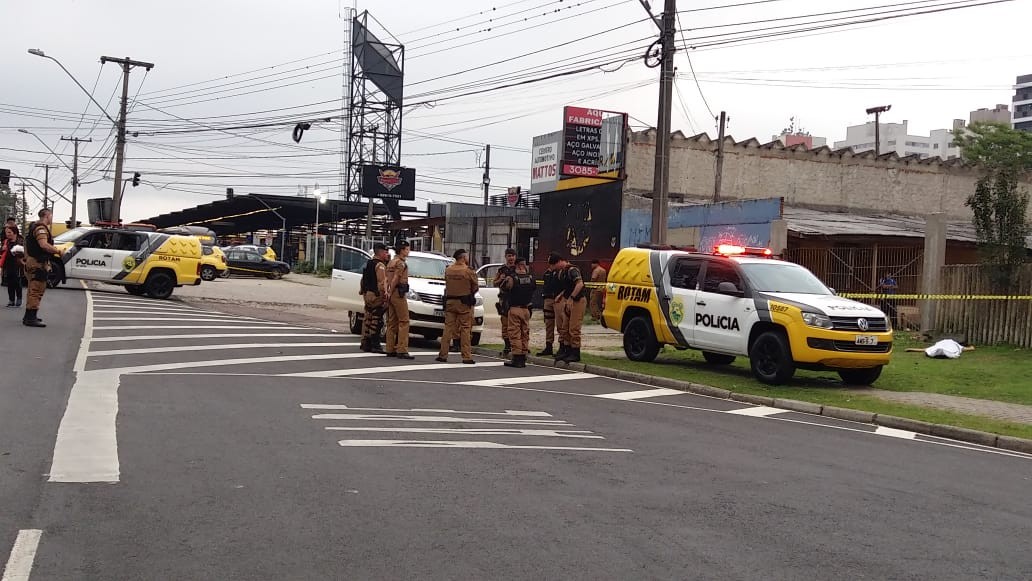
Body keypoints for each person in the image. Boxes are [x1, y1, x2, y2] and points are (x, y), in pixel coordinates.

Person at [436, 248, 478, 365]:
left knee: (448, 328)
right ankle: (466, 356)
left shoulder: (448, 270)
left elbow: (447, 284)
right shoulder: (468, 271)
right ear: (463, 258)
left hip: (450, 302)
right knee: (465, 328)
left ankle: (443, 355)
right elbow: (475, 286)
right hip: (464, 303)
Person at [23, 208, 61, 328]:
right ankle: (31, 318)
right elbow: (43, 245)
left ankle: (29, 315)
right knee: (37, 289)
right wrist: (58, 251)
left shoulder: (33, 227)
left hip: (32, 261)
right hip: (37, 263)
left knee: (32, 289)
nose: (51, 218)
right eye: (51, 215)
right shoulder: (41, 229)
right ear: (46, 215)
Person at [502, 258, 536, 368]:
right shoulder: (530, 278)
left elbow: (504, 288)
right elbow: (533, 288)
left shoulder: (512, 278)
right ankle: (523, 356)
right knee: (524, 333)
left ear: (517, 266)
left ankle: (516, 357)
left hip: (515, 308)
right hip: (526, 309)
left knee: (514, 333)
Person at [384, 240, 414, 360]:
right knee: (404, 321)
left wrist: (387, 292)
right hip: (398, 293)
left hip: (391, 293)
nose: (408, 251)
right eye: (407, 249)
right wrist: (391, 291)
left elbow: (386, 278)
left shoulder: (391, 262)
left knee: (392, 322)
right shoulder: (400, 263)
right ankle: (402, 349)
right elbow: (396, 277)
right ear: (402, 250)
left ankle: (390, 348)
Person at [554, 255, 586, 363]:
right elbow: (569, 287)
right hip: (568, 301)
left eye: (554, 265)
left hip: (577, 301)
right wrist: (562, 295)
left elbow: (579, 284)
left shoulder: (572, 270)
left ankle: (575, 353)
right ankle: (566, 350)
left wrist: (572, 297)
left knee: (574, 328)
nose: (554, 268)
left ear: (559, 261)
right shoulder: (562, 272)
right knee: (565, 327)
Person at [359, 243, 390, 353]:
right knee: (376, 320)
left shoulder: (369, 263)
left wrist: (363, 292)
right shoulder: (380, 266)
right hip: (376, 296)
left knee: (368, 318)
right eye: (386, 252)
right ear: (381, 252)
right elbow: (382, 283)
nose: (388, 254)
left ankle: (365, 342)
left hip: (367, 294)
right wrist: (385, 296)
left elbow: (363, 280)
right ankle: (375, 344)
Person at [492, 248, 517, 357]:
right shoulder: (501, 270)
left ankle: (518, 345)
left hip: (516, 299)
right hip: (504, 299)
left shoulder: (518, 268)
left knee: (517, 324)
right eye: (509, 256)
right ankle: (507, 345)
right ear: (506, 257)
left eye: (512, 256)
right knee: (505, 323)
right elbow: (494, 283)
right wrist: (501, 279)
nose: (511, 258)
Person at [536, 254, 561, 356]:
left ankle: (562, 347)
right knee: (548, 324)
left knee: (560, 324)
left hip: (557, 299)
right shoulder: (546, 273)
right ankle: (548, 346)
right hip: (548, 299)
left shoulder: (559, 273)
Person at [2, 226, 24, 307]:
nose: (7, 234)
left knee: (17, 282)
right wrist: (3, 249)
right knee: (10, 283)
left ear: (14, 233)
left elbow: (22, 253)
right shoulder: (6, 241)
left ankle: (19, 299)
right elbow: (2, 253)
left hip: (17, 265)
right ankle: (11, 300)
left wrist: (15, 251)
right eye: (6, 232)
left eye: (9, 232)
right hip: (8, 264)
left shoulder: (20, 241)